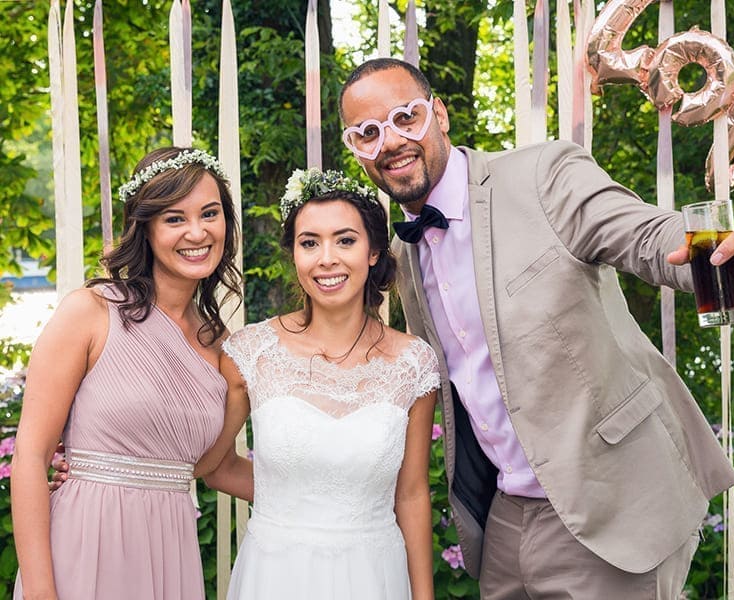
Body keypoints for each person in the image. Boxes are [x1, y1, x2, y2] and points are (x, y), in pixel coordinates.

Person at [337, 57, 734, 599]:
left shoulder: (543, 174)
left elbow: (642, 234)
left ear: (439, 115)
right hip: (505, 516)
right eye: (368, 133)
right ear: (357, 149)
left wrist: (711, 255)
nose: (391, 142)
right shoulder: (404, 250)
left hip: (610, 503)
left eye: (406, 118)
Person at [193, 167, 439, 600]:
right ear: (294, 255)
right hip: (275, 573)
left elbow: (413, 493)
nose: (327, 258)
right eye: (310, 243)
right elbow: (211, 465)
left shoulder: (413, 362)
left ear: (374, 252)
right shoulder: (252, 353)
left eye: (345, 240)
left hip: (374, 573)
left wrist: (423, 597)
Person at [11, 146, 242, 600]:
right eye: (174, 218)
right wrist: (41, 592)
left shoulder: (221, 347)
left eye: (209, 213)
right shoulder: (90, 312)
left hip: (170, 549)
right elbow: (30, 459)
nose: (197, 232)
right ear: (147, 228)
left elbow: (208, 467)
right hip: (85, 544)